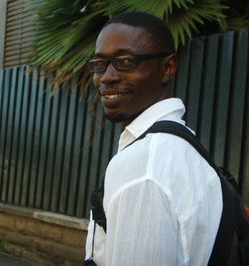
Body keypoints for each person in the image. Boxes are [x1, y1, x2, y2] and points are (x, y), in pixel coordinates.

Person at [84, 12, 223, 266]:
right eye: (100, 64)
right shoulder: (183, 145)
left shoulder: (143, 166)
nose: (106, 76)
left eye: (126, 61)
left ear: (167, 68)